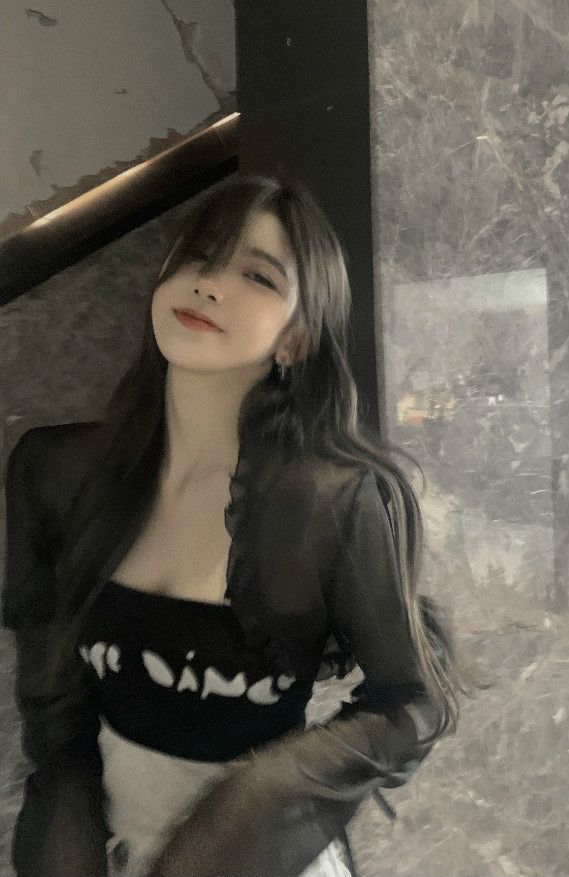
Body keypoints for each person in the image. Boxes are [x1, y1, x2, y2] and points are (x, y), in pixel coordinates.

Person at [2, 173, 479, 877]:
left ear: (296, 338)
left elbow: (414, 702)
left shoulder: (329, 503)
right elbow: (54, 712)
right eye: (199, 257)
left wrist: (250, 806)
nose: (208, 283)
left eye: (256, 275)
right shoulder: (54, 471)